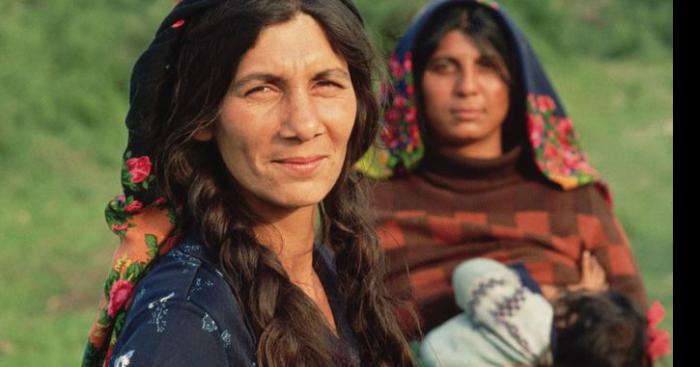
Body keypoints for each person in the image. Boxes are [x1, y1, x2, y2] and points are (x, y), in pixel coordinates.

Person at [81, 1, 415, 366]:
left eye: (326, 83)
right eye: (262, 89)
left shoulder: (325, 269)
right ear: (204, 117)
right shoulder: (185, 322)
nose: (303, 125)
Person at [358, 0, 648, 337]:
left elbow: (633, 338)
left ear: (517, 82)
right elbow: (330, 328)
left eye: (488, 66)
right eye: (444, 67)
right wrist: (545, 300)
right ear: (412, 82)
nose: (467, 87)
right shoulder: (368, 201)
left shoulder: (574, 201)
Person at [418, 258, 653, 367]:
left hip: (427, 355)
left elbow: (468, 274)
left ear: (571, 315)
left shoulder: (528, 313)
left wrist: (533, 288)